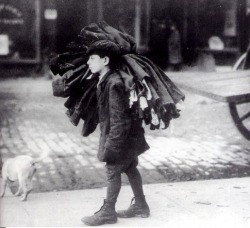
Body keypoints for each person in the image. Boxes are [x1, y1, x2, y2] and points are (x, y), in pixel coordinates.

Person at [81, 40, 150, 226]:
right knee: (129, 167)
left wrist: (112, 147)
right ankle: (141, 205)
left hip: (121, 136)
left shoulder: (114, 83)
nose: (88, 63)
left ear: (105, 60)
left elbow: (120, 120)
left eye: (92, 59)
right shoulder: (105, 80)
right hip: (128, 136)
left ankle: (108, 212)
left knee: (112, 170)